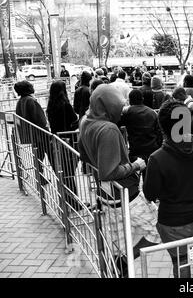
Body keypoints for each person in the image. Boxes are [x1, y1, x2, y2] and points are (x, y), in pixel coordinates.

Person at [78, 84, 160, 277]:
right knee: (158, 229)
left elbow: (84, 157)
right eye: (118, 105)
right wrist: (136, 165)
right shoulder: (108, 129)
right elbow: (108, 172)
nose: (121, 110)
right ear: (109, 106)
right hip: (125, 193)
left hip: (107, 196)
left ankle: (116, 268)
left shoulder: (85, 121)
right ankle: (124, 263)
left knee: (119, 241)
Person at [144, 100, 193, 278]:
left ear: (162, 126)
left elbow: (150, 193)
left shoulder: (156, 159)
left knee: (181, 262)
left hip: (171, 222)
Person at [46, 80, 82, 210]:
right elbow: (74, 120)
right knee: (69, 173)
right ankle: (73, 202)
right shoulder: (65, 105)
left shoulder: (50, 106)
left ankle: (67, 200)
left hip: (56, 140)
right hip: (68, 141)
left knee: (63, 172)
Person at [118, 89, 162, 181]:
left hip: (136, 150)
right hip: (152, 149)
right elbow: (159, 133)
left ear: (130, 100)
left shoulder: (127, 112)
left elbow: (117, 123)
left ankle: (135, 192)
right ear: (142, 99)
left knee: (133, 177)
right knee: (149, 177)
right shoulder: (152, 113)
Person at [14, 80, 50, 185]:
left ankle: (40, 177)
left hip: (31, 135)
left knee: (38, 157)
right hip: (40, 135)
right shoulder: (31, 101)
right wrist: (47, 132)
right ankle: (43, 178)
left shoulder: (21, 101)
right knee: (44, 157)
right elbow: (40, 120)